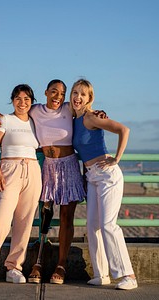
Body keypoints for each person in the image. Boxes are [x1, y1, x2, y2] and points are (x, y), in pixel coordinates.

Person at [0, 79, 105, 285]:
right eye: (54, 92)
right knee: (44, 214)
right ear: (46, 92)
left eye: (62, 93)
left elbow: (84, 108)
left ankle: (61, 265)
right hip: (48, 167)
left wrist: (99, 113)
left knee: (66, 217)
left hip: (69, 166)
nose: (58, 97)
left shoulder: (68, 108)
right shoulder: (35, 110)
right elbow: (20, 110)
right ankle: (38, 262)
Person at [71, 79, 138, 290]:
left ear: (90, 98)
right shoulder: (74, 118)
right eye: (75, 93)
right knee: (92, 226)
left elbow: (123, 130)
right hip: (92, 177)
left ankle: (128, 275)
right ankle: (102, 275)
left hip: (107, 175)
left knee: (108, 225)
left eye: (83, 94)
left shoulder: (91, 117)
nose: (78, 97)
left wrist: (116, 158)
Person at [0, 84, 42, 285]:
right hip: (9, 170)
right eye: (18, 98)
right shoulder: (3, 119)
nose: (23, 103)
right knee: (0, 220)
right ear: (12, 100)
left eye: (27, 99)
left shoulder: (35, 121)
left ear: (32, 101)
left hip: (32, 171)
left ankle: (14, 267)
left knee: (24, 222)